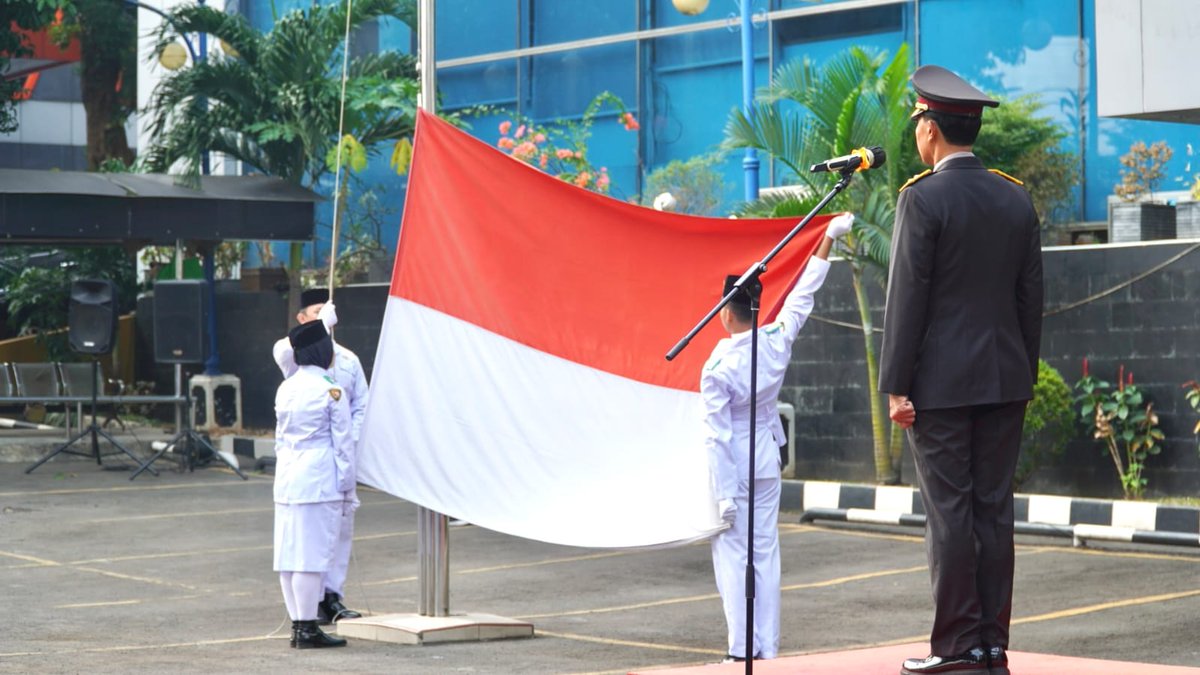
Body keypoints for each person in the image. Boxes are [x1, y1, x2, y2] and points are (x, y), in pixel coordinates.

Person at [878, 65, 1043, 675]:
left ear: (931, 130)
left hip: (939, 390)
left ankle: (955, 649)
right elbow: (1032, 300)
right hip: (1006, 380)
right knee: (993, 511)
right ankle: (991, 646)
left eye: (919, 120)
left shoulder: (921, 199)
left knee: (950, 514)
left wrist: (896, 385)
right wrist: (1022, 373)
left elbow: (907, 301)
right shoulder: (1014, 196)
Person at [702, 213, 853, 662]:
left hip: (735, 466)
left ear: (726, 312)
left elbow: (716, 436)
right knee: (765, 554)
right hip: (766, 461)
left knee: (733, 557)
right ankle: (765, 648)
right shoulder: (776, 341)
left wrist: (724, 493)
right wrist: (827, 238)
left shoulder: (718, 368)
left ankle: (739, 648)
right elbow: (803, 296)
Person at [273, 288, 370, 624]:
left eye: (327, 311)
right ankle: (305, 616)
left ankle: (330, 597)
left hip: (310, 466)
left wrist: (351, 446)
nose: (323, 317)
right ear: (302, 319)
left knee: (334, 537)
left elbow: (361, 408)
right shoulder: (293, 357)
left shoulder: (347, 360)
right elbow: (286, 349)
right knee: (307, 548)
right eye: (315, 312)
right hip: (320, 469)